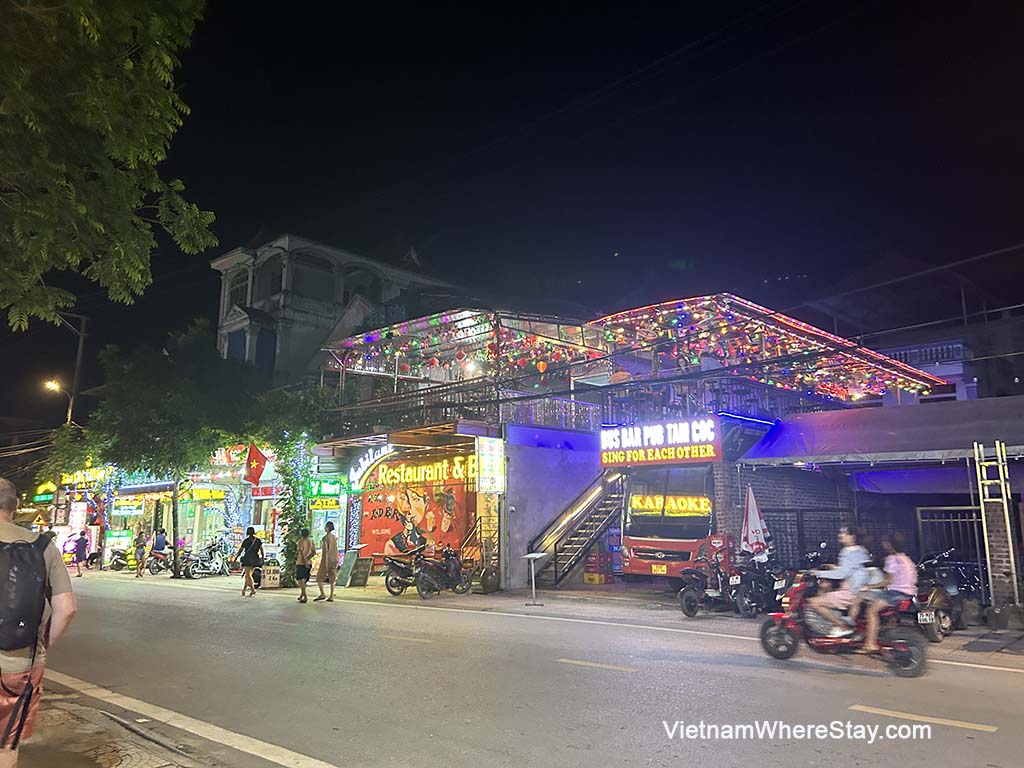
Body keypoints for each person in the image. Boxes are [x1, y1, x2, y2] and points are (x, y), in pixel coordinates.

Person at [0, 477, 77, 766]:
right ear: (16, 506)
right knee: (6, 745)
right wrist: (42, 645)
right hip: (21, 664)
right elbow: (66, 608)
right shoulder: (44, 547)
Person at [860, 533, 918, 653]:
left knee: (871, 611)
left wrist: (868, 586)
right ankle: (887, 634)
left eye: (884, 542)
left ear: (889, 545)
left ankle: (870, 643)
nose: (883, 544)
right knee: (888, 612)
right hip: (909, 593)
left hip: (895, 593)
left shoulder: (891, 559)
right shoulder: (907, 559)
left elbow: (888, 581)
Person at [808, 526, 870, 637]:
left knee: (813, 602)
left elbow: (842, 574)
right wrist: (835, 567)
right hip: (857, 590)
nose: (840, 535)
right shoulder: (860, 550)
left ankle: (842, 626)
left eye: (844, 533)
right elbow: (851, 569)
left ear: (852, 537)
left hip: (850, 592)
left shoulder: (849, 552)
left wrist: (817, 573)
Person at [234, 527, 263, 598]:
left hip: (248, 558)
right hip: (255, 558)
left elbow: (240, 550)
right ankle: (243, 590)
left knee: (248, 575)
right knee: (248, 575)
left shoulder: (246, 541)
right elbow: (262, 549)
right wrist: (262, 557)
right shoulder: (258, 540)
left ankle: (253, 590)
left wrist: (236, 558)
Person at [315, 521, 339, 602]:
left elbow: (326, 551)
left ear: (328, 528)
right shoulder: (334, 538)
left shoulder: (325, 538)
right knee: (332, 578)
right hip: (335, 559)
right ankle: (331, 595)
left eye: (325, 527)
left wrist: (325, 562)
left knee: (319, 577)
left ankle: (322, 594)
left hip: (327, 560)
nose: (324, 528)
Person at [295, 528, 316, 604]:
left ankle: (305, 596)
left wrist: (305, 561)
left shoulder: (300, 542)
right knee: (304, 580)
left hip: (301, 563)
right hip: (309, 562)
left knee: (300, 579)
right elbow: (314, 552)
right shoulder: (311, 542)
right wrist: (308, 559)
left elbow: (301, 554)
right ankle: (301, 595)